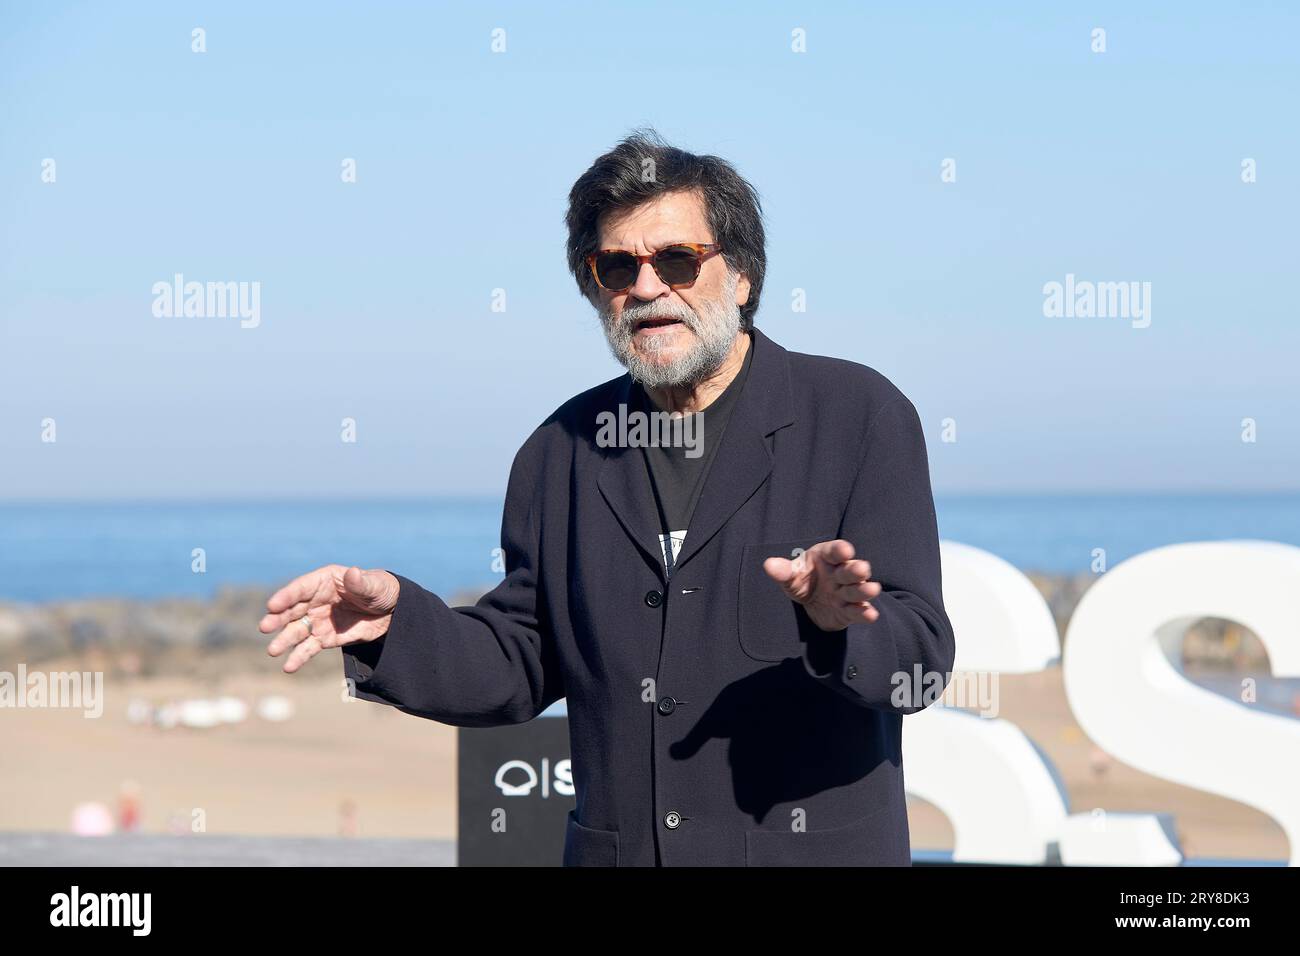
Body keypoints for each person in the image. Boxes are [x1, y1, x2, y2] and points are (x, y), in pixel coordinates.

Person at [260, 129, 955, 866]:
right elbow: (521, 658)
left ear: (743, 276)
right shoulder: (557, 451)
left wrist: (836, 622)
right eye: (617, 266)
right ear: (595, 287)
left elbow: (921, 662)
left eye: (678, 261)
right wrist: (396, 626)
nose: (647, 289)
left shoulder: (857, 416)